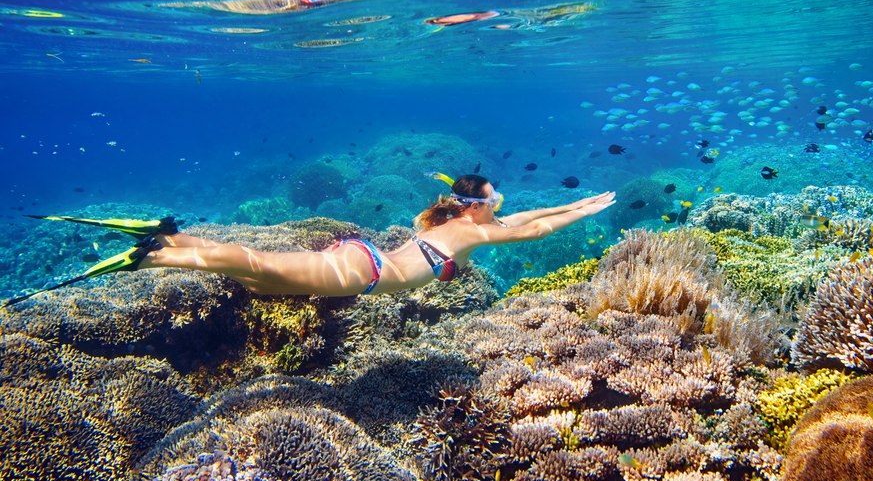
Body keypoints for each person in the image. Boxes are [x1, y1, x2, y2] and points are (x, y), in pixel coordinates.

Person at [4, 174, 615, 305]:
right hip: (360, 273)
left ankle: (166, 243)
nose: (505, 208)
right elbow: (537, 224)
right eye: (497, 201)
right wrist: (581, 213)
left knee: (254, 274)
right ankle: (156, 250)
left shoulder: (445, 221)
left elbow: (533, 212)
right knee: (257, 267)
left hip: (356, 258)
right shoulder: (474, 235)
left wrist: (579, 201)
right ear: (483, 207)